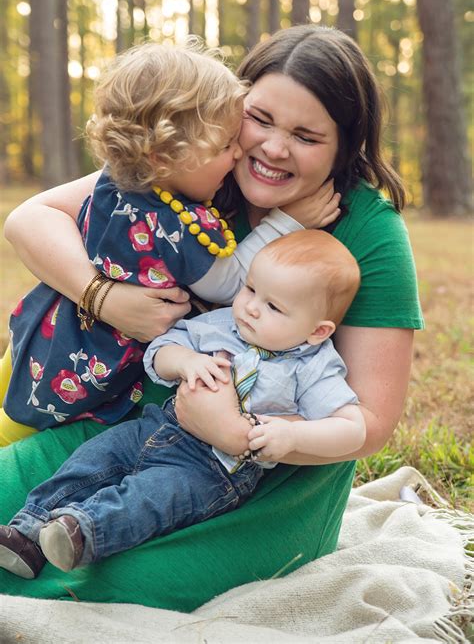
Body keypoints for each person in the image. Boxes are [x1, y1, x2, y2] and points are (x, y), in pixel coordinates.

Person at [0, 25, 422, 611]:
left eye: (306, 136)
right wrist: (103, 296)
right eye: (262, 119)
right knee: (16, 525)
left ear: (343, 147)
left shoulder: (366, 231)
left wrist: (238, 437)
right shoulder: (191, 166)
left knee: (117, 584)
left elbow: (371, 420)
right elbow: (30, 218)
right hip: (126, 427)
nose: (273, 148)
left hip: (260, 477)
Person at [0, 40, 335, 444]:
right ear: (163, 157)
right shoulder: (174, 228)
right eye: (223, 146)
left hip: (45, 326)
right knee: (12, 432)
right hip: (77, 364)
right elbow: (228, 283)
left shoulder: (120, 180)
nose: (236, 156)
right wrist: (286, 223)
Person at [0, 230, 365, 579]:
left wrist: (295, 436)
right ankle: (28, 530)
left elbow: (352, 427)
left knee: (152, 498)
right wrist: (185, 361)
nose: (251, 308)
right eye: (251, 289)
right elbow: (159, 352)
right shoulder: (222, 325)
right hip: (160, 425)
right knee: (94, 460)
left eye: (273, 306)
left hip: (213, 469)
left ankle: (81, 532)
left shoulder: (314, 367)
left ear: (318, 330)